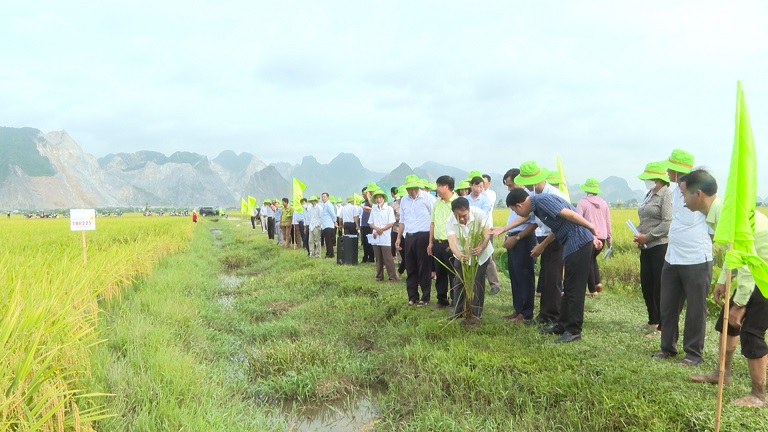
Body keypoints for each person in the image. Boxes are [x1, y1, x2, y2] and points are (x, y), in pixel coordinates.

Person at [681, 170, 768, 407]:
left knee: (751, 330)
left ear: (698, 194)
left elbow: (748, 260)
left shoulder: (730, 215)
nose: (682, 200)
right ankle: (723, 374)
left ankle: (759, 395)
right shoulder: (723, 213)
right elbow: (734, 253)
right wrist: (722, 281)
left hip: (764, 273)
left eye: (683, 194)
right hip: (756, 269)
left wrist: (740, 303)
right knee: (727, 321)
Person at [504, 187, 597, 343]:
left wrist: (591, 227)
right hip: (570, 245)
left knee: (575, 289)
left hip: (580, 242)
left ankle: (573, 330)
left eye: (514, 210)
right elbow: (558, 227)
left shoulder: (542, 201)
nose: (518, 214)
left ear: (519, 205)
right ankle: (562, 325)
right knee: (568, 287)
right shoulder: (537, 207)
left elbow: (570, 214)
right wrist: (543, 246)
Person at [653, 149, 713, 367]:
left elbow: (714, 225)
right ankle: (667, 348)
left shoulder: (700, 190)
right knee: (668, 305)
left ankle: (693, 354)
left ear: (679, 170)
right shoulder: (674, 191)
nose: (667, 171)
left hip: (697, 258)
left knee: (696, 309)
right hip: (673, 257)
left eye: (670, 167)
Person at [513, 161, 568, 326]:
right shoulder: (536, 196)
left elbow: (559, 227)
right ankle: (544, 315)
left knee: (553, 279)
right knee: (546, 280)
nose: (526, 187)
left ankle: (553, 316)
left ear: (534, 181)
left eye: (526, 184)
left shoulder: (553, 196)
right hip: (545, 238)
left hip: (556, 239)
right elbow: (531, 219)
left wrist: (542, 245)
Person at [492, 168, 538, 322]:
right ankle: (518, 310)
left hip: (524, 240)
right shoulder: (515, 198)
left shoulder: (529, 199)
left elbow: (533, 224)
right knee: (515, 275)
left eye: (511, 185)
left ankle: (526, 313)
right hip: (513, 238)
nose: (509, 189)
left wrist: (517, 237)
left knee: (524, 275)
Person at [633, 162, 672, 337]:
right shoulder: (649, 194)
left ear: (658, 180)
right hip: (646, 246)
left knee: (659, 286)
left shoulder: (666, 195)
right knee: (647, 284)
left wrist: (647, 236)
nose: (646, 181)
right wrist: (639, 235)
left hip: (659, 246)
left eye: (649, 178)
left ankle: (662, 326)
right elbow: (645, 217)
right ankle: (652, 320)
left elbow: (667, 223)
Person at [446, 197, 493, 320]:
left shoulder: (478, 214)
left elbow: (486, 233)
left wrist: (481, 247)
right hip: (462, 255)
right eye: (458, 216)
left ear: (469, 210)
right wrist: (459, 255)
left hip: (480, 254)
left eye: (464, 216)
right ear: (453, 213)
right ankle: (458, 311)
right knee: (458, 282)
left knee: (478, 282)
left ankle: (476, 314)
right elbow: (452, 243)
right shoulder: (450, 221)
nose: (462, 219)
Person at [396, 174, 434, 306]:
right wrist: (399, 237)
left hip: (423, 235)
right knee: (410, 267)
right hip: (409, 236)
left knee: (424, 267)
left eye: (415, 188)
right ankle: (412, 297)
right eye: (410, 189)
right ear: (406, 189)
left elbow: (433, 220)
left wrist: (431, 240)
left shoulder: (428, 198)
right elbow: (402, 221)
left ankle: (425, 297)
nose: (413, 191)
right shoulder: (404, 201)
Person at [576, 178, 612, 297]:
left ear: (586, 190)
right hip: (601, 237)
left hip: (589, 237)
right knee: (592, 259)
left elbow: (577, 220)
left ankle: (592, 290)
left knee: (587, 261)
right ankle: (598, 283)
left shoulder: (582, 202)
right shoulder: (604, 203)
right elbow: (608, 221)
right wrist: (609, 238)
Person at [428, 175, 458, 310]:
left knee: (453, 273)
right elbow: (432, 224)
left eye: (438, 186)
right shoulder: (437, 203)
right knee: (440, 273)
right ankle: (442, 300)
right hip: (438, 243)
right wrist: (430, 243)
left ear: (446, 186)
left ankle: (455, 301)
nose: (437, 189)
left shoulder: (457, 202)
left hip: (451, 244)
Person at [368, 189, 398, 281]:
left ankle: (392, 277)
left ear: (383, 198)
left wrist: (381, 229)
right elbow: (370, 223)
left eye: (380, 197)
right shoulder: (374, 209)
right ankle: (379, 277)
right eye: (376, 198)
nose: (378, 199)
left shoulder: (388, 209)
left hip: (385, 236)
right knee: (378, 258)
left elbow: (391, 223)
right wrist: (377, 229)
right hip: (376, 236)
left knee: (388, 258)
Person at [360, 183, 377, 263]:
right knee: (364, 241)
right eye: (363, 194)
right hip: (363, 224)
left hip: (369, 224)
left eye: (365, 194)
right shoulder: (364, 202)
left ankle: (371, 257)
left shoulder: (372, 200)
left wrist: (368, 196)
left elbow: (372, 205)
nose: (364, 196)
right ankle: (365, 256)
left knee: (369, 242)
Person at [320, 193, 337, 258]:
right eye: (322, 197)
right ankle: (329, 253)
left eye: (324, 197)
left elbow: (333, 214)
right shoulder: (324, 205)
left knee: (329, 240)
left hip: (328, 225)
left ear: (327, 197)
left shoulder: (329, 204)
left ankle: (330, 254)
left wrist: (335, 221)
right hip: (324, 225)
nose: (323, 198)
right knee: (327, 240)